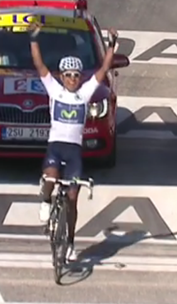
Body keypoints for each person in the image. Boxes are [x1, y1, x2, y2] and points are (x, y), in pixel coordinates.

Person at [28, 20, 118, 262]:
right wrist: (34, 38)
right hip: (55, 148)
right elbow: (39, 64)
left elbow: (103, 70)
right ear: (61, 76)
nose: (72, 79)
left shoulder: (84, 93)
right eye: (68, 75)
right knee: (50, 178)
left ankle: (69, 243)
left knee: (72, 198)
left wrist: (111, 44)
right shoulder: (54, 91)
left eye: (76, 75)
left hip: (74, 153)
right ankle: (46, 200)